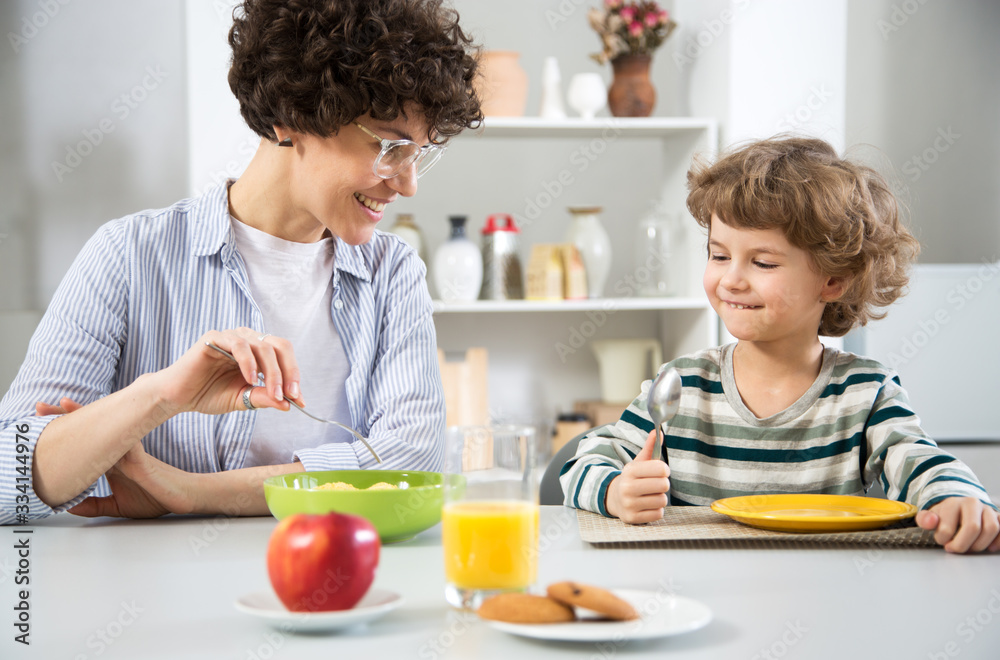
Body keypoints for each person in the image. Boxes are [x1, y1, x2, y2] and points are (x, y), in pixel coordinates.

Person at [0, 0, 482, 524]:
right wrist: (159, 396)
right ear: (290, 116)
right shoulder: (130, 256)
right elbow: (9, 477)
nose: (408, 184)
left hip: (337, 585)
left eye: (419, 154)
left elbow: (414, 466)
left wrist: (194, 492)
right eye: (391, 148)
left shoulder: (392, 274)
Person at [560, 136, 1000, 554]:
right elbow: (582, 465)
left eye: (763, 261)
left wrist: (957, 500)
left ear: (833, 280)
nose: (731, 279)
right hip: (697, 592)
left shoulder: (866, 392)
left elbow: (919, 461)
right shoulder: (682, 385)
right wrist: (616, 491)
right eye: (719, 255)